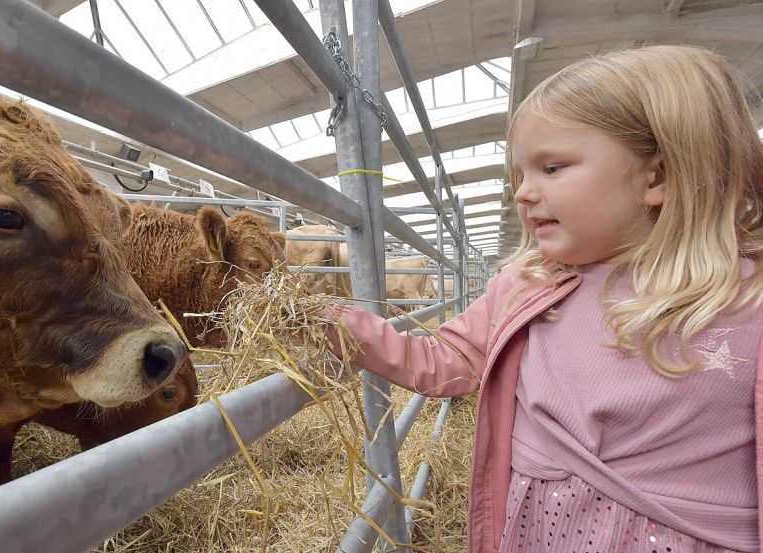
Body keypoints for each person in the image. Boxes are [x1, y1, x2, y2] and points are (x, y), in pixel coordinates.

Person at [323, 45, 763, 553]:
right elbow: (447, 358)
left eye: (551, 168)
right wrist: (335, 324)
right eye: (520, 175)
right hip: (542, 530)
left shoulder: (743, 300)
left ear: (657, 177)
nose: (522, 193)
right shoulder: (526, 283)